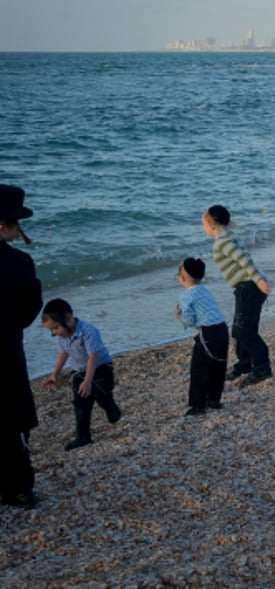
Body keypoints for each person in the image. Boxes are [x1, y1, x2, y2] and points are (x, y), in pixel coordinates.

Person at [0, 185, 42, 509]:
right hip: (6, 348)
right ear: (3, 225)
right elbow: (31, 306)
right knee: (13, 417)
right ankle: (18, 489)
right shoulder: (20, 263)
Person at [203, 205, 273, 386]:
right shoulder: (227, 236)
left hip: (249, 286)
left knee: (241, 330)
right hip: (247, 286)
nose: (203, 228)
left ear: (211, 225)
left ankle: (262, 368)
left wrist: (258, 281)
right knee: (244, 326)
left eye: (203, 224)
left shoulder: (222, 242)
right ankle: (244, 364)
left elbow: (244, 259)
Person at [41, 299, 122, 451]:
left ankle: (111, 407)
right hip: (79, 371)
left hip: (101, 367)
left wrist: (88, 381)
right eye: (51, 330)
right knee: (81, 404)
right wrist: (54, 374)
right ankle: (83, 437)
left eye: (55, 328)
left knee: (100, 393)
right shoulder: (62, 336)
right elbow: (64, 353)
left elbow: (93, 357)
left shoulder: (88, 330)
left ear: (68, 318)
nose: (54, 333)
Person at [174, 257, 229, 417]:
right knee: (219, 365)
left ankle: (198, 405)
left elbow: (190, 321)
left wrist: (179, 317)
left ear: (182, 277)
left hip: (208, 333)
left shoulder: (186, 296)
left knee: (199, 368)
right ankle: (214, 399)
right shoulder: (205, 290)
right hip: (222, 328)